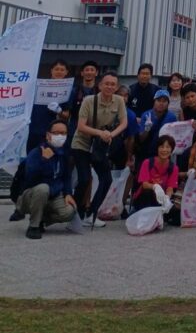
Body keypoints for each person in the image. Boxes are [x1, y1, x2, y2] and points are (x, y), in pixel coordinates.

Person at [71, 70, 127, 225]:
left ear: (117, 87)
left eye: (113, 84)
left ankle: (91, 213)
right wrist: (101, 133)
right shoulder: (89, 100)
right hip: (82, 143)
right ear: (100, 85)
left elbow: (124, 123)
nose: (109, 87)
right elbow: (80, 126)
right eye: (106, 83)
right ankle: (74, 212)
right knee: (84, 179)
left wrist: (110, 134)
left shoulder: (119, 101)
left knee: (106, 179)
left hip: (99, 146)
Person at [15, 119, 80, 239]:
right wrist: (44, 160)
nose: (60, 136)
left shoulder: (63, 154)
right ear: (48, 135)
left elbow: (66, 176)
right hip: (31, 194)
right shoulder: (36, 152)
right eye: (56, 133)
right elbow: (30, 178)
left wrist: (68, 194)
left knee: (69, 212)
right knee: (43, 188)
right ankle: (33, 226)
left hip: (53, 195)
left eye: (63, 133)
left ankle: (41, 220)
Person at [27, 58, 72, 152]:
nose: (59, 72)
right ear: (51, 70)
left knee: (48, 156)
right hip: (34, 127)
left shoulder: (68, 90)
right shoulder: (39, 84)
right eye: (56, 69)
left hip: (52, 131)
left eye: (62, 70)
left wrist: (59, 111)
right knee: (32, 155)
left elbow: (67, 115)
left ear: (66, 72)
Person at [132, 134, 179, 214]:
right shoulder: (147, 162)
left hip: (161, 199)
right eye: (161, 147)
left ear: (172, 150)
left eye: (167, 147)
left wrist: (167, 198)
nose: (164, 150)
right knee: (148, 193)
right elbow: (144, 184)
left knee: (177, 214)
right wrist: (155, 186)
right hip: (145, 197)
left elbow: (170, 187)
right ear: (157, 149)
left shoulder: (173, 167)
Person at [67, 59, 99, 141]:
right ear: (82, 73)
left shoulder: (99, 92)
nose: (89, 72)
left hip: (94, 128)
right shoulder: (74, 91)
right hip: (75, 127)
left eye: (92, 70)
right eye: (87, 70)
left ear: (96, 73)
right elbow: (68, 112)